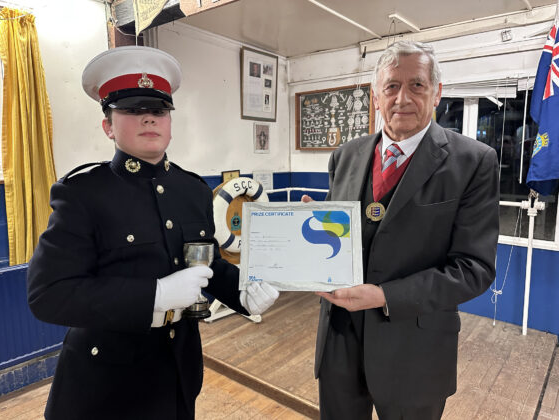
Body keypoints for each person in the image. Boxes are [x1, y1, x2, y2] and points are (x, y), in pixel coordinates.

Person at [26, 46, 279, 420]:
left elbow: (205, 262)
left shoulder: (193, 190)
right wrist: (154, 295)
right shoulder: (83, 193)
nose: (148, 118)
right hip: (106, 383)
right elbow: (48, 294)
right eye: (132, 110)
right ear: (108, 126)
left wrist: (241, 292)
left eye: (159, 110)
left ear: (170, 122)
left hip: (177, 369)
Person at [305, 41, 499, 420]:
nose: (402, 98)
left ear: (437, 93)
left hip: (416, 350)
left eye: (417, 85)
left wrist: (384, 296)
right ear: (376, 97)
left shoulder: (473, 162)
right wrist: (307, 233)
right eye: (391, 86)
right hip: (340, 343)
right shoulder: (345, 156)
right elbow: (335, 240)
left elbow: (474, 269)